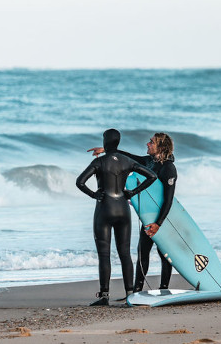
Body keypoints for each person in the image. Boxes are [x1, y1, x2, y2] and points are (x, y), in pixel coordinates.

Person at [76, 129, 157, 306]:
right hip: (122, 208)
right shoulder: (127, 161)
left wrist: (93, 195)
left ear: (105, 142)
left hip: (104, 208)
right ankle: (130, 294)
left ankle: (104, 296)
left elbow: (80, 182)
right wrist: (132, 193)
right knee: (125, 253)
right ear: (118, 143)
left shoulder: (100, 162)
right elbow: (152, 176)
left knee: (104, 254)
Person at [89, 132, 177, 292]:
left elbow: (169, 199)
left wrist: (158, 223)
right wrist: (107, 150)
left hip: (162, 218)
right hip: (148, 216)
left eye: (152, 142)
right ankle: (137, 291)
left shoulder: (169, 168)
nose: (147, 144)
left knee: (164, 253)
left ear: (161, 147)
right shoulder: (150, 161)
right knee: (142, 252)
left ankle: (164, 288)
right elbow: (131, 157)